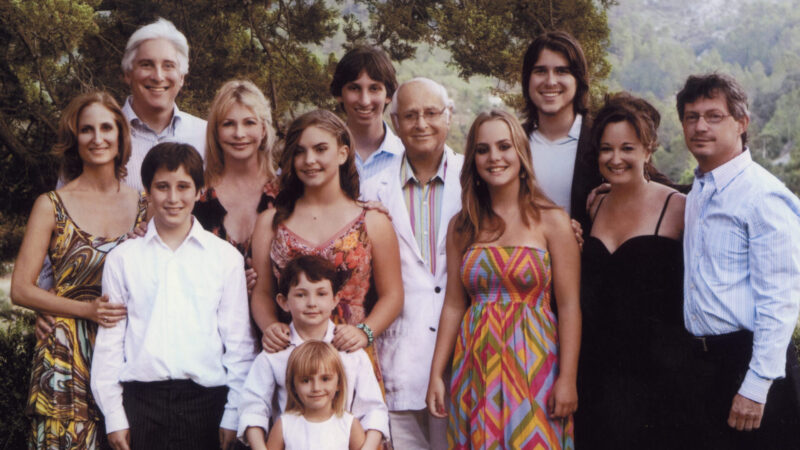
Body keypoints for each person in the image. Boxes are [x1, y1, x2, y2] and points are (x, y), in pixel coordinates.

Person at [427, 110, 581, 449]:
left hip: (536, 363)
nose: (494, 157)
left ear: (520, 153)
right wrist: (437, 374)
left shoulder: (552, 221)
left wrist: (567, 379)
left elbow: (569, 307)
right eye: (483, 149)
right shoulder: (462, 225)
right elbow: (453, 304)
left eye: (504, 146)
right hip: (474, 364)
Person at [90, 143, 256, 450]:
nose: (173, 198)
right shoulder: (123, 259)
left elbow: (239, 345)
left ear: (199, 191)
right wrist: (114, 416)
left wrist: (233, 414)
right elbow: (110, 346)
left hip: (206, 404)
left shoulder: (224, 258)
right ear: (148, 191)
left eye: (183, 187)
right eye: (162, 187)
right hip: (141, 404)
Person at [10, 92, 147, 449]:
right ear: (75, 139)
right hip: (64, 358)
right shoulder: (50, 205)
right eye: (87, 130)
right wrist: (83, 310)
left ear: (121, 135)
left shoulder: (146, 206)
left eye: (106, 128)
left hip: (128, 355)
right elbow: (21, 289)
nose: (98, 138)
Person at [678, 73, 800, 449]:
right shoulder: (699, 188)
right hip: (704, 367)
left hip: (751, 368)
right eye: (691, 116)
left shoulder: (763, 197)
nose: (700, 126)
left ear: (742, 123)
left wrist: (756, 386)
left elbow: (780, 301)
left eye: (714, 116)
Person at [250, 110, 402, 392]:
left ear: (343, 153)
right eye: (300, 152)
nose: (309, 160)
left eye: (321, 149)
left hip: (350, 355)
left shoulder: (372, 221)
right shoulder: (271, 223)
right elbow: (261, 293)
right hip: (291, 357)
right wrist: (270, 327)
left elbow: (393, 295)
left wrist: (364, 332)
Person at [575, 93, 694, 448]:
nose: (615, 159)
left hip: (659, 373)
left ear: (647, 149)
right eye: (606, 149)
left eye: (627, 148)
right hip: (598, 369)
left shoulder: (679, 206)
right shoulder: (595, 204)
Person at [360, 77, 464, 449]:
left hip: (463, 359)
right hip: (398, 359)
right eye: (410, 115)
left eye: (432, 113)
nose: (421, 124)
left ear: (448, 116)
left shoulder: (476, 179)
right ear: (396, 122)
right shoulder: (369, 189)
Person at [240, 255, 388, 449]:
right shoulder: (275, 353)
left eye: (321, 294)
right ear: (284, 301)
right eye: (301, 295)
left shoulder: (350, 351)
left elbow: (374, 410)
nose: (311, 303)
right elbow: (253, 406)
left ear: (335, 299)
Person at [521, 31, 601, 235]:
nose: (550, 81)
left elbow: (654, 187)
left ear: (578, 80)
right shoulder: (513, 142)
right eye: (540, 71)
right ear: (527, 79)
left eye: (562, 71)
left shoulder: (601, 139)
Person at [120, 17, 207, 192]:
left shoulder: (206, 136)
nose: (158, 76)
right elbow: (64, 208)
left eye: (168, 66)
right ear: (128, 74)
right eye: (146, 65)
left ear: (181, 77)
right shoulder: (99, 137)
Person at [264, 341, 367, 450]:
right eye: (305, 380)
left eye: (325, 379)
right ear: (293, 386)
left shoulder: (349, 424)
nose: (316, 388)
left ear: (339, 384)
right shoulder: (284, 425)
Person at [330, 46, 404, 180]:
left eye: (374, 88)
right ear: (339, 93)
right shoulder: (322, 154)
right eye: (354, 88)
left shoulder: (406, 157)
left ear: (388, 95)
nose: (364, 101)